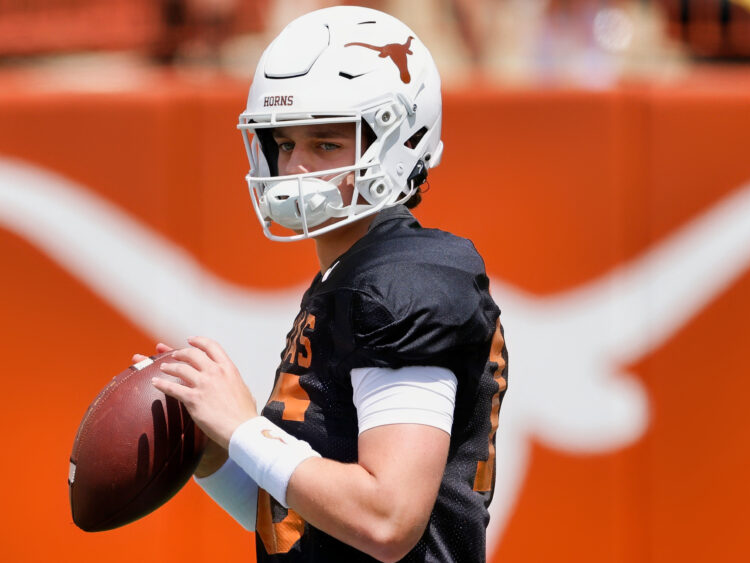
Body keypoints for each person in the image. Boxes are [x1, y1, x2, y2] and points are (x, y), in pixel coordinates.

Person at [143, 6, 508, 562]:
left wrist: (245, 428)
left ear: (399, 143)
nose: (293, 169)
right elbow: (301, 527)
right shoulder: (354, 275)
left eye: (326, 145)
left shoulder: (405, 284)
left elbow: (386, 519)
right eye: (285, 144)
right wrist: (209, 448)